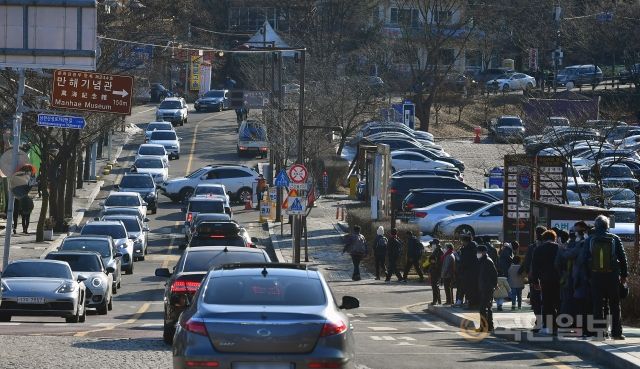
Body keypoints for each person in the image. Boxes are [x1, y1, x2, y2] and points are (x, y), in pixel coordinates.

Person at [586, 215, 628, 340]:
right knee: (615, 304)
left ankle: (600, 333)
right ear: (607, 226)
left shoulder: (590, 239)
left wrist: (588, 276)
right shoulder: (615, 238)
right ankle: (616, 332)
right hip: (612, 276)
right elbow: (623, 258)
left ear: (596, 225)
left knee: (598, 305)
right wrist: (624, 276)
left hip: (595, 277)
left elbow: (583, 259)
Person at [532, 230, 561, 335]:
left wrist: (535, 281)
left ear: (543, 239)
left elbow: (534, 266)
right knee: (558, 302)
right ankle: (559, 326)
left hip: (545, 280)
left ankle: (548, 326)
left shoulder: (539, 249)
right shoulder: (559, 248)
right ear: (554, 238)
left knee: (547, 303)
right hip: (558, 280)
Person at [520, 225, 547, 332]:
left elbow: (527, 263)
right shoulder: (551, 246)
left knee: (536, 301)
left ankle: (539, 322)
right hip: (546, 278)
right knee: (545, 302)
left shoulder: (533, 247)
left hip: (535, 279)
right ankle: (545, 323)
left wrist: (526, 273)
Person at [477, 245, 498, 332]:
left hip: (487, 287)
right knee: (488, 307)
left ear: (484, 252)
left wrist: (493, 285)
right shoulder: (482, 261)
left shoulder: (488, 261)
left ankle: (484, 327)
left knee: (483, 308)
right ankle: (489, 326)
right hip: (484, 287)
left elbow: (494, 274)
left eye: (479, 252)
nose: (477, 254)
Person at [457, 234, 479, 308]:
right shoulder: (473, 248)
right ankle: (468, 302)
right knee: (468, 288)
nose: (462, 243)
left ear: (465, 241)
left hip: (468, 272)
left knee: (469, 288)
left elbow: (464, 261)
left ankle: (470, 303)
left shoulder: (468, 250)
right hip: (471, 272)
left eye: (462, 241)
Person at [428, 239, 444, 305]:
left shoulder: (439, 251)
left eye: (433, 244)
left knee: (435, 286)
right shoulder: (436, 250)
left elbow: (439, 262)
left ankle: (436, 300)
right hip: (434, 270)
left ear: (436, 244)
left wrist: (434, 263)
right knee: (434, 286)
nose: (432, 245)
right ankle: (437, 300)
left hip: (436, 271)